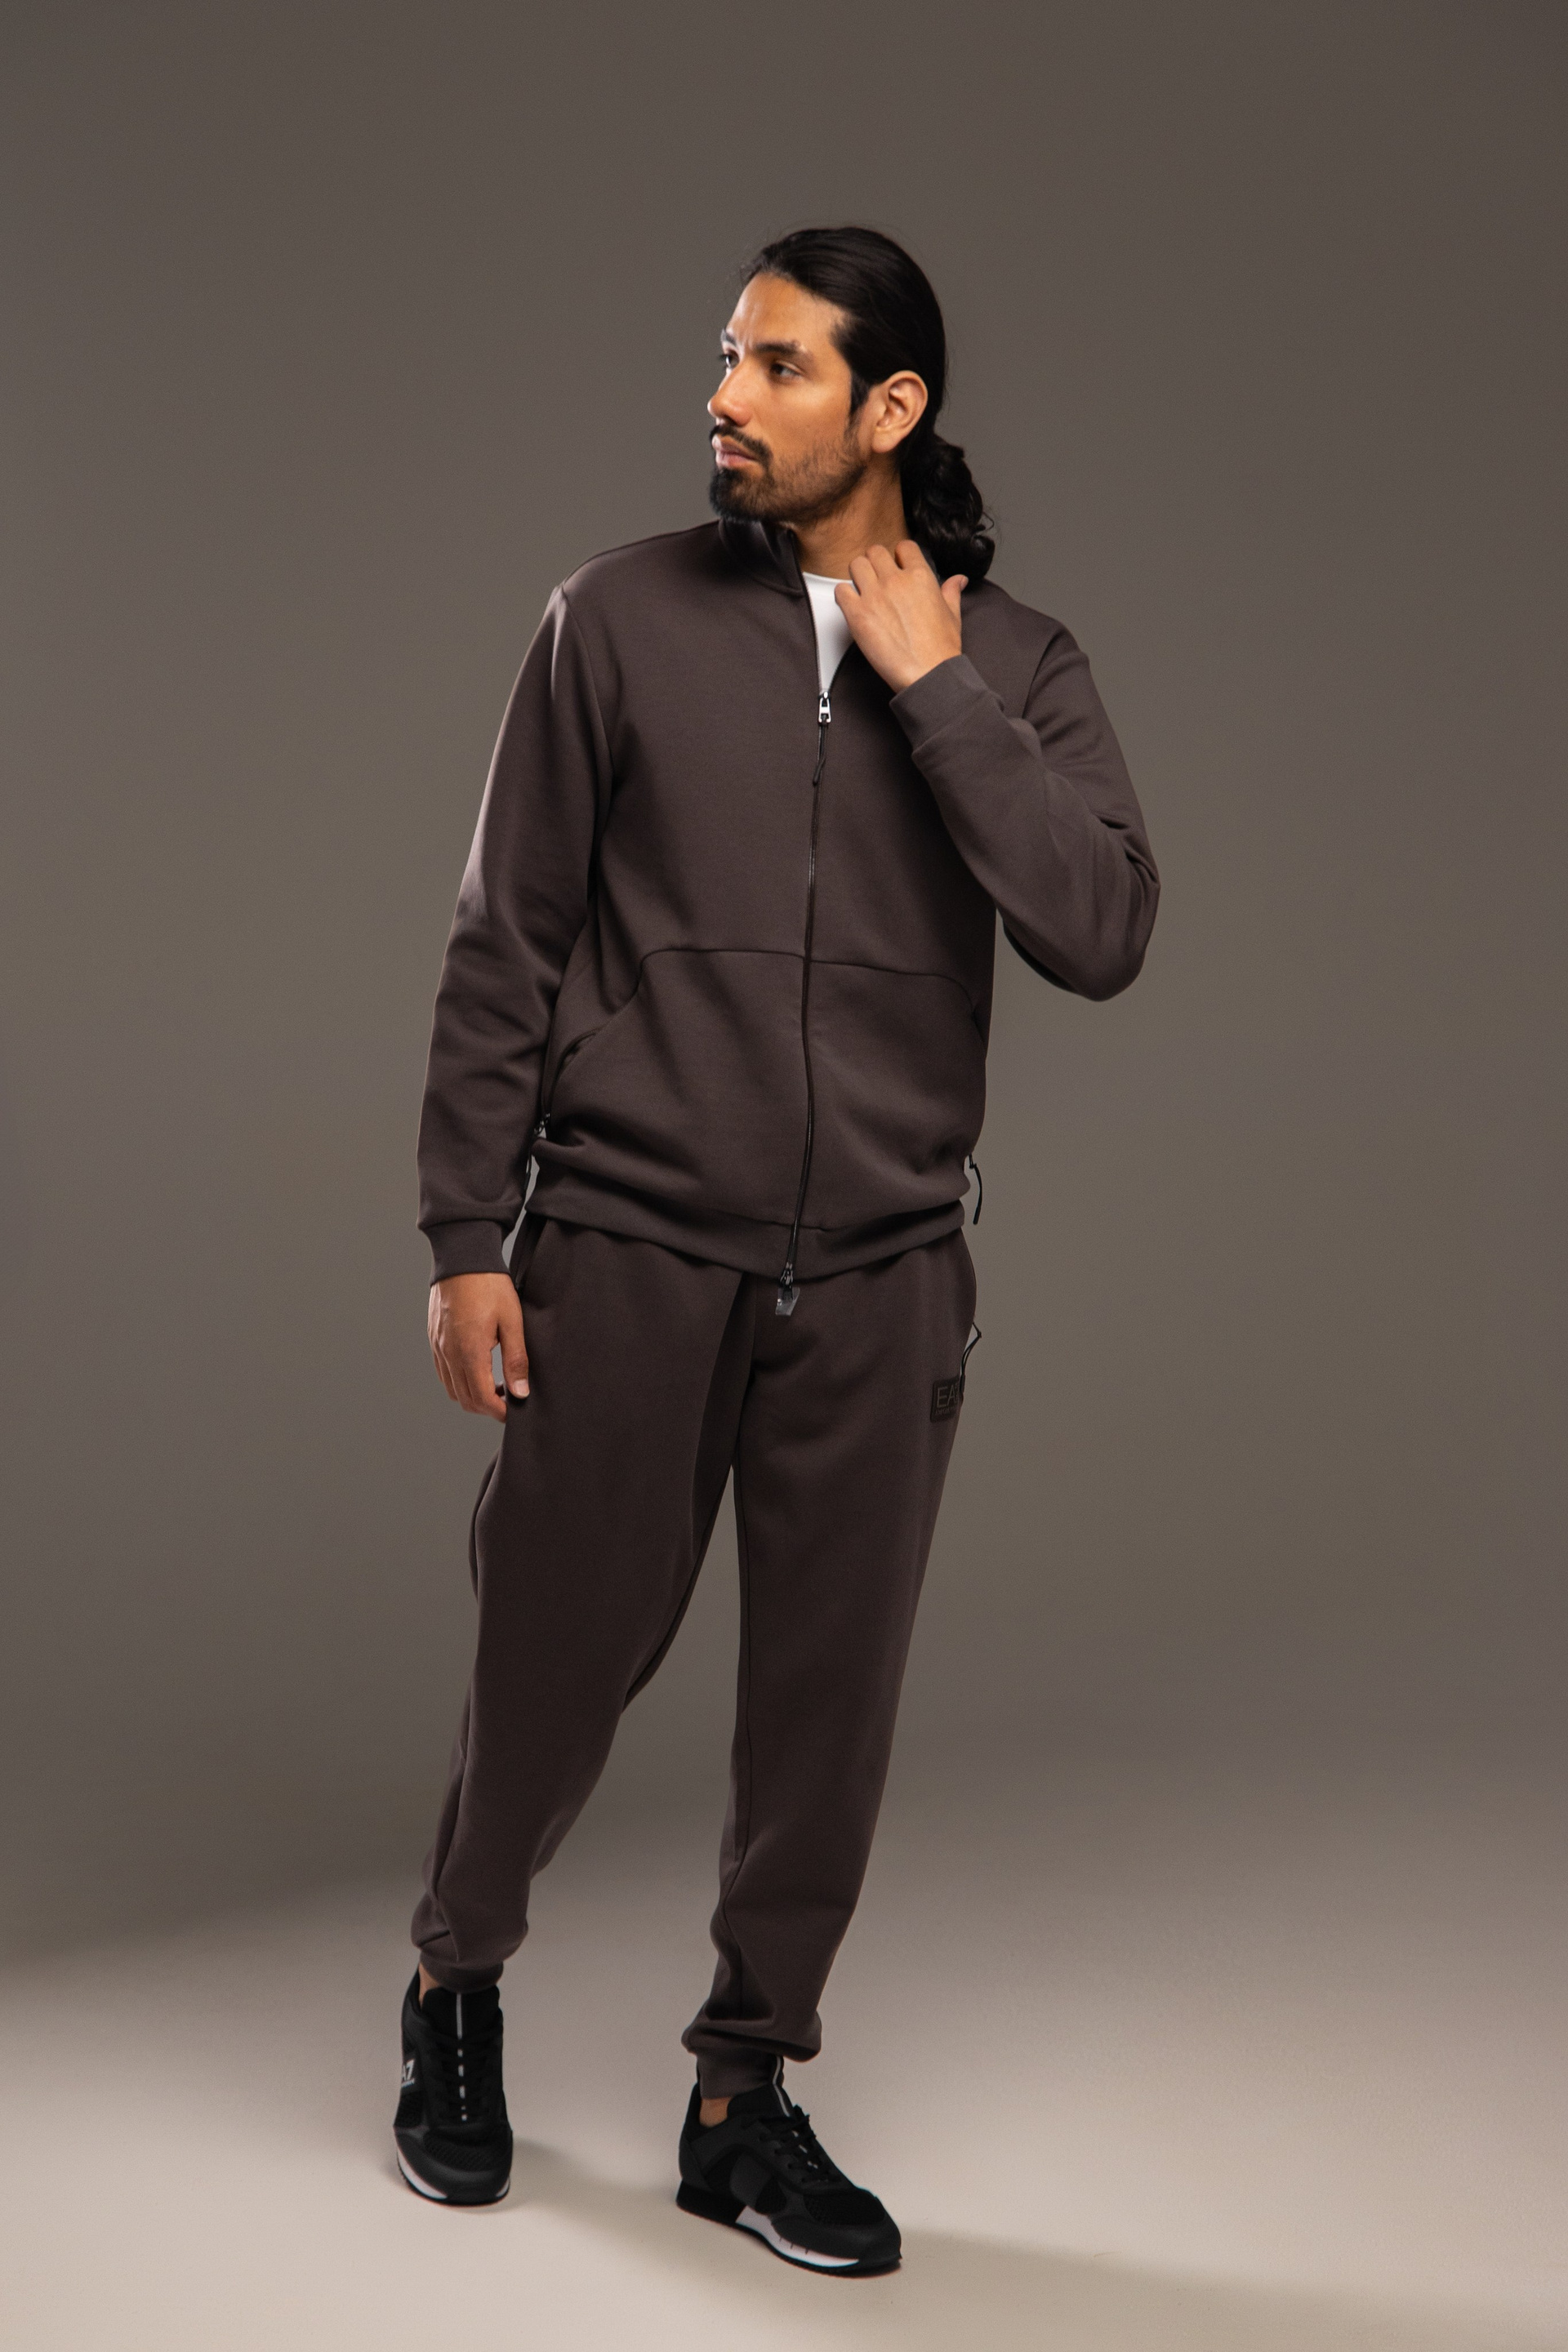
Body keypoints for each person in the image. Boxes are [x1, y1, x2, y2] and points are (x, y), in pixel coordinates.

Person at [394, 225, 1159, 2274]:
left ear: (891, 408)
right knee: (550, 1665)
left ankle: (742, 2099)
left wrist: (936, 691)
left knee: (826, 1718)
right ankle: (454, 1978)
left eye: (779, 366)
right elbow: (505, 940)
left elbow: (1100, 929)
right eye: (727, 356)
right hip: (626, 1243)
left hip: (888, 1270)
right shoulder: (616, 620)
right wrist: (468, 1231)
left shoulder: (1016, 664)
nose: (726, 396)